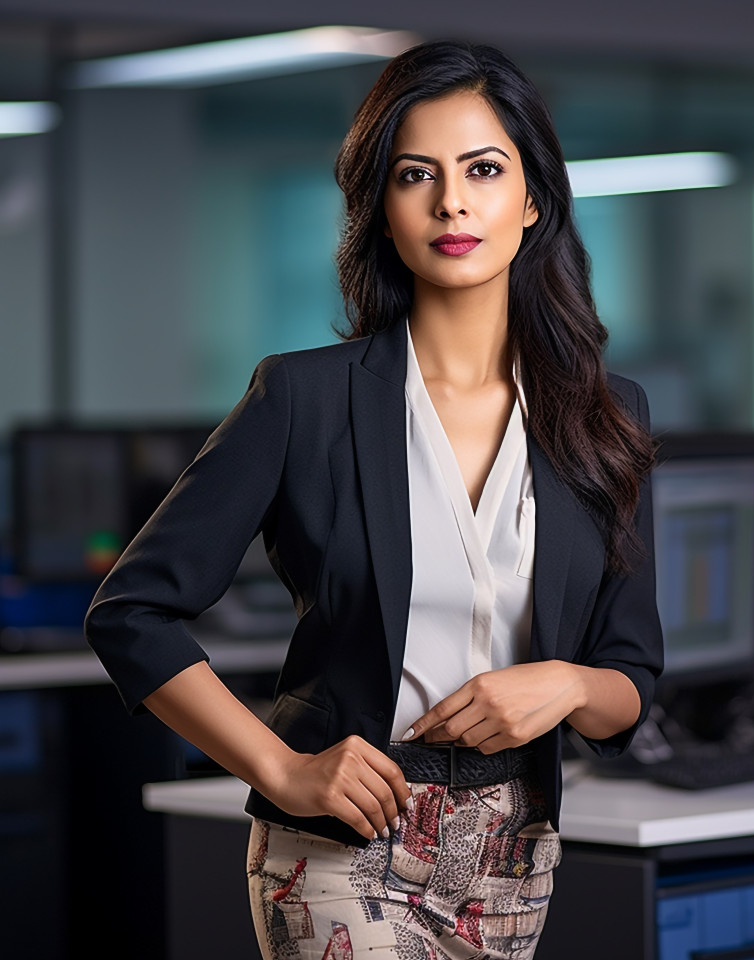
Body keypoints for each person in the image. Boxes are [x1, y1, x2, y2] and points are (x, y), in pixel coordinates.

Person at [84, 37, 663, 960]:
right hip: (342, 850)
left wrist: (561, 686)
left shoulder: (606, 415)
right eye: (414, 174)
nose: (452, 201)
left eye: (483, 169)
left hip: (515, 855)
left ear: (534, 201)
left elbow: (630, 680)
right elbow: (131, 612)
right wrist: (281, 765)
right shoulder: (302, 399)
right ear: (382, 211)